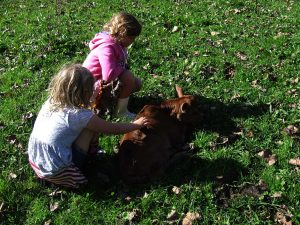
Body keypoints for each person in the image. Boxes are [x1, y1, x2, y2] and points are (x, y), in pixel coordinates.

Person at [28, 64, 149, 189]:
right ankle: (89, 160)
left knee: (82, 127)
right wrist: (136, 125)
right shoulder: (80, 115)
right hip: (57, 169)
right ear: (85, 93)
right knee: (91, 128)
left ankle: (55, 172)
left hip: (37, 160)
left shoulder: (50, 102)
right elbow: (113, 128)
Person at [82, 11, 142, 119]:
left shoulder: (118, 43)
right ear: (123, 34)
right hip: (90, 90)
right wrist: (123, 70)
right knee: (128, 77)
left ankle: (114, 102)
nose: (133, 41)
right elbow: (108, 74)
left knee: (136, 83)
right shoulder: (107, 46)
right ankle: (120, 111)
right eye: (132, 38)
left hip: (101, 83)